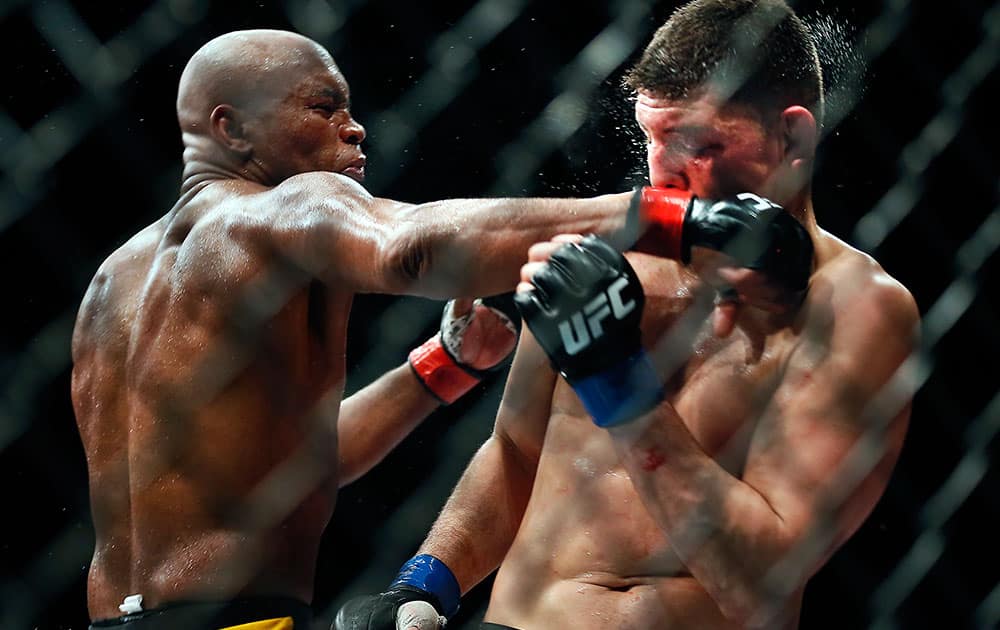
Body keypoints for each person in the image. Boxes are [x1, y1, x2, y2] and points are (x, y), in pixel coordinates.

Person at [71, 27, 796, 630]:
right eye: (322, 107)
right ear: (231, 127)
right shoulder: (281, 206)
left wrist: (442, 367)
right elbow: (410, 246)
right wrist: (673, 221)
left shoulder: (113, 283)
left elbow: (284, 470)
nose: (353, 127)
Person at [336, 1, 919, 629]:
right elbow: (515, 451)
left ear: (792, 137)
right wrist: (424, 585)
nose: (661, 170)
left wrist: (617, 379)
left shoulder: (858, 309)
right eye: (651, 136)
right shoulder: (600, 251)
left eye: (696, 142)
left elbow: (762, 582)